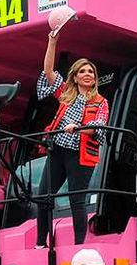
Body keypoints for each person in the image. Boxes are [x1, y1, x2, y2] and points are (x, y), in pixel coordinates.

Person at [34, 27, 109, 248]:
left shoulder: (100, 101)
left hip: (81, 154)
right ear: (75, 77)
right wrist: (52, 40)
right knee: (43, 196)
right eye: (83, 71)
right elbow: (48, 71)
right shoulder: (66, 93)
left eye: (91, 72)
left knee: (77, 200)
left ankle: (79, 246)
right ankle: (41, 243)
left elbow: (99, 125)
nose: (88, 74)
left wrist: (78, 128)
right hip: (58, 150)